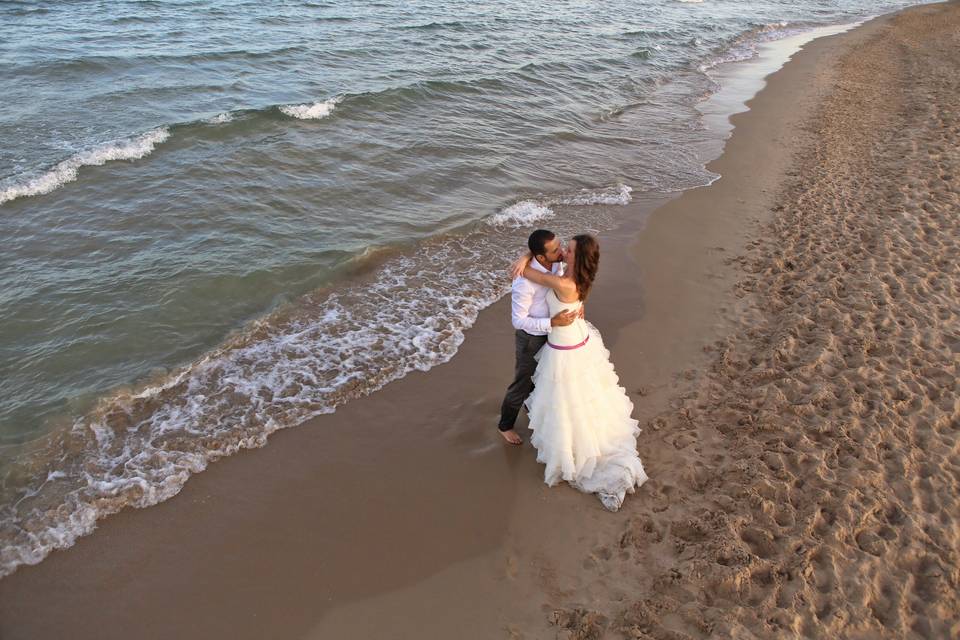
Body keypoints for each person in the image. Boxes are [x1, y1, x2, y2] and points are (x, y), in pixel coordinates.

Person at [509, 234, 647, 512]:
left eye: (568, 251)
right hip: (577, 338)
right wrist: (529, 255)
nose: (563, 253)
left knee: (564, 393)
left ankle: (570, 444)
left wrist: (525, 257)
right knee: (582, 393)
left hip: (563, 345)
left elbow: (529, 271)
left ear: (578, 257)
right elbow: (540, 265)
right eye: (563, 249)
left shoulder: (562, 282)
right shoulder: (578, 278)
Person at [497, 229, 577, 445]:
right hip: (531, 338)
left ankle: (530, 405)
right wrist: (551, 322)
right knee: (521, 382)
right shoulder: (524, 283)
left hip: (552, 334)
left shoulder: (555, 262)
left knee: (540, 377)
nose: (561, 252)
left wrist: (525, 255)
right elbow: (518, 321)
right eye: (556, 250)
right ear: (541, 257)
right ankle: (505, 425)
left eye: (561, 246)